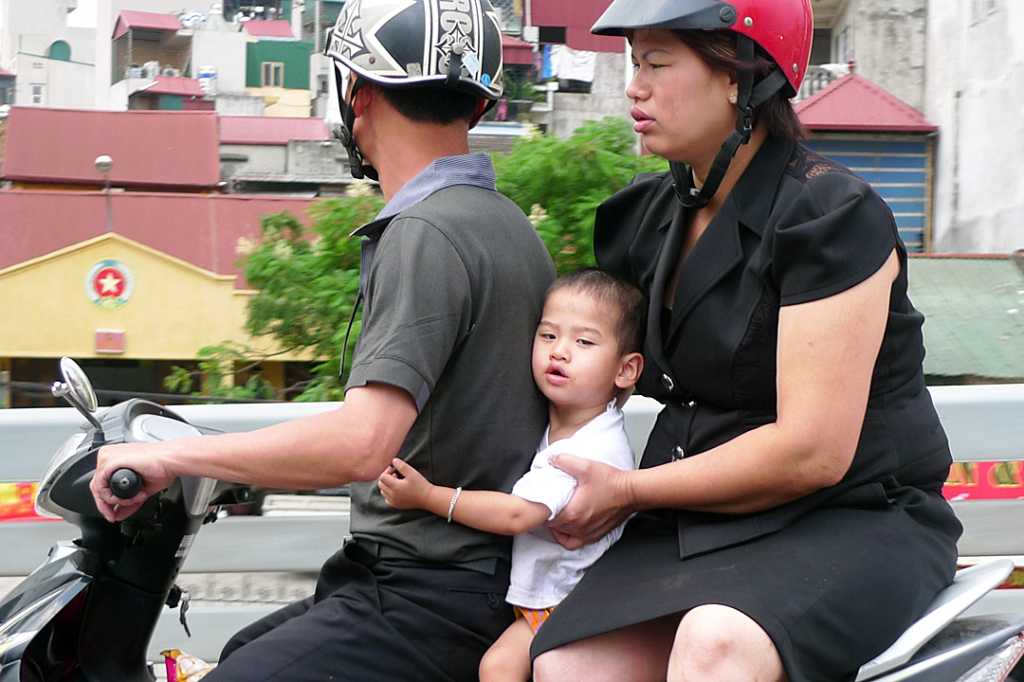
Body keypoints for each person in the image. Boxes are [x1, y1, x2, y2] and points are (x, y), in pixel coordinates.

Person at [89, 1, 556, 681]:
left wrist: (174, 459)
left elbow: (360, 444)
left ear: (358, 94)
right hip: (468, 582)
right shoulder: (511, 227)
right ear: (478, 104)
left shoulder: (426, 234)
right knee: (246, 653)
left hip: (426, 593)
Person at [528, 2, 963, 682]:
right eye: (634, 63)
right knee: (567, 663)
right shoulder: (643, 219)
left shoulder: (831, 216)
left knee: (715, 643)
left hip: (854, 515)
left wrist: (631, 488)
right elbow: (586, 357)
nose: (634, 87)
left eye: (658, 62)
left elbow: (813, 451)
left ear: (739, 76)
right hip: (698, 519)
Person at [378, 268, 646, 682]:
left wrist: (429, 496)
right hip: (554, 596)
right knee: (498, 665)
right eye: (548, 335)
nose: (560, 352)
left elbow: (517, 515)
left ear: (626, 370)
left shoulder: (586, 451)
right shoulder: (561, 424)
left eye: (584, 342)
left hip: (576, 602)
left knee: (505, 667)